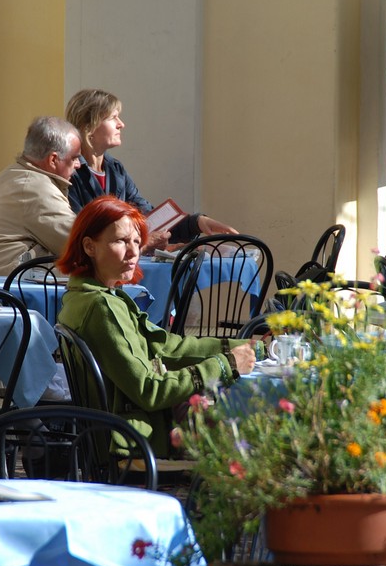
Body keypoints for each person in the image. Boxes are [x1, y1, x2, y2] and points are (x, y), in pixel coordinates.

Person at [56, 195, 256, 456]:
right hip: (137, 442)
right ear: (89, 246)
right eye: (120, 241)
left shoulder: (84, 295)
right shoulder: (101, 307)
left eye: (137, 242)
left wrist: (247, 346)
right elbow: (149, 391)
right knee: (254, 427)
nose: (133, 252)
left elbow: (166, 346)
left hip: (129, 429)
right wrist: (225, 365)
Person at [64, 89, 238, 252]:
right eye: (113, 117)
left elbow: (146, 217)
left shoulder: (115, 169)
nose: (121, 124)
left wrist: (197, 223)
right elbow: (84, 237)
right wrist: (142, 244)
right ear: (89, 127)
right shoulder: (69, 172)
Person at [0, 116, 82, 276]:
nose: (78, 165)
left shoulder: (18, 175)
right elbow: (81, 243)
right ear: (53, 159)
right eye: (75, 158)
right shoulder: (34, 187)